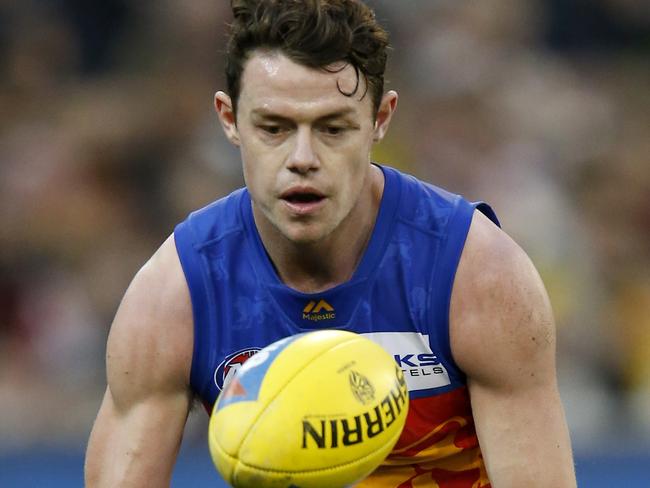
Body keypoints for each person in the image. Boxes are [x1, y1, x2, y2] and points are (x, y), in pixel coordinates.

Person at [85, 0, 577, 486]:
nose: (303, 158)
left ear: (381, 119)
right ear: (229, 119)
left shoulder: (477, 274)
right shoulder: (175, 297)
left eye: (333, 128)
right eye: (273, 128)